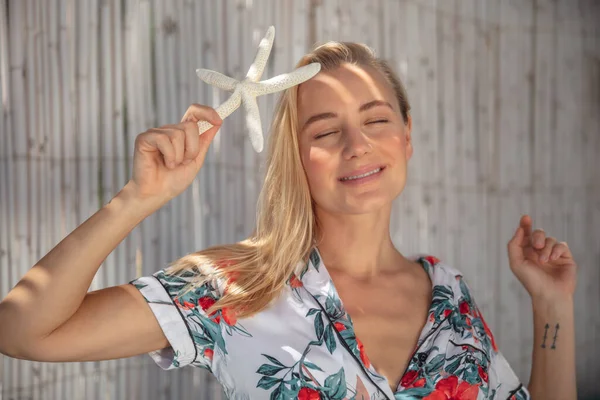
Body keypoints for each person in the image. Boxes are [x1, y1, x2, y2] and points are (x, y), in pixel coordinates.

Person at [0, 42, 577, 400]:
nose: (357, 145)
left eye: (375, 120)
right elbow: (22, 331)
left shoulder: (449, 295)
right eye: (326, 131)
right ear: (297, 158)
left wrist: (552, 306)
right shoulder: (231, 288)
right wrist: (136, 198)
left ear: (406, 137)